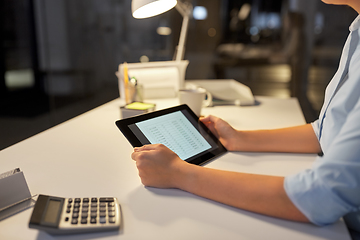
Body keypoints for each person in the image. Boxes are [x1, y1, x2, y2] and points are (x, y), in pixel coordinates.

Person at [131, 0, 360, 235]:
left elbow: (320, 196)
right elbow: (326, 130)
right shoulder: (357, 31)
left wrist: (178, 173)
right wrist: (239, 138)